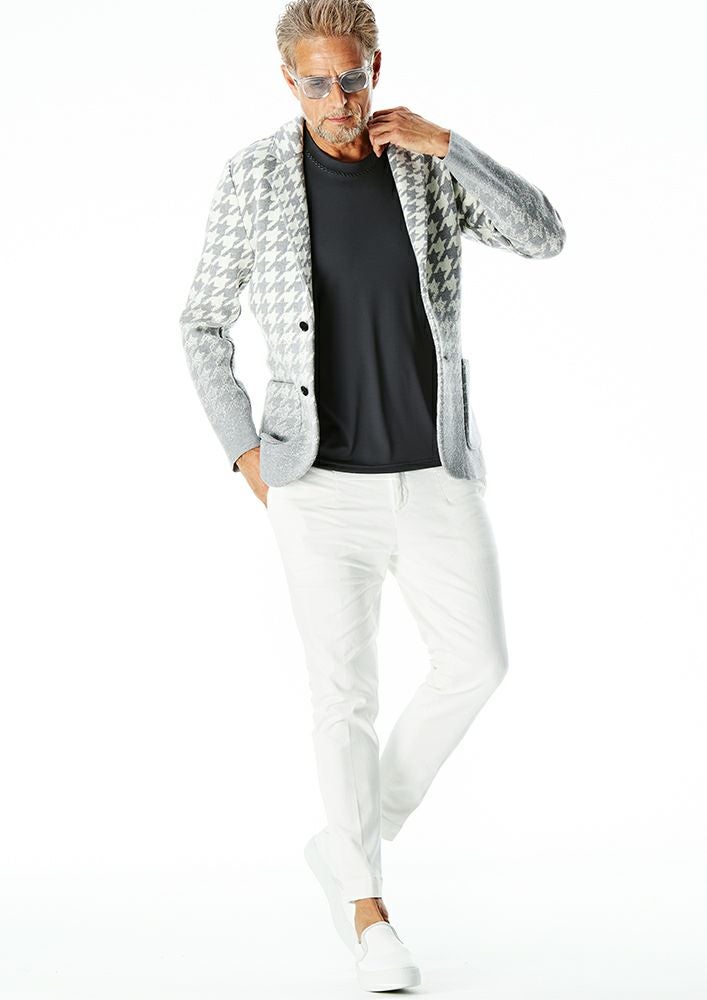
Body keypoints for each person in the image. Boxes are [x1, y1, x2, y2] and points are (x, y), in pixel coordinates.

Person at [179, 1, 565, 990]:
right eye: (315, 81)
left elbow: (543, 236)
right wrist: (243, 453)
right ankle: (367, 913)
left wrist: (452, 144)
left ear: (374, 68)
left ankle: (350, 837)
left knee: (476, 662)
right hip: (316, 485)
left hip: (434, 469)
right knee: (342, 696)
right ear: (288, 80)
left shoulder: (424, 166)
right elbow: (201, 324)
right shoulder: (253, 178)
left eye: (349, 78)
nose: (336, 100)